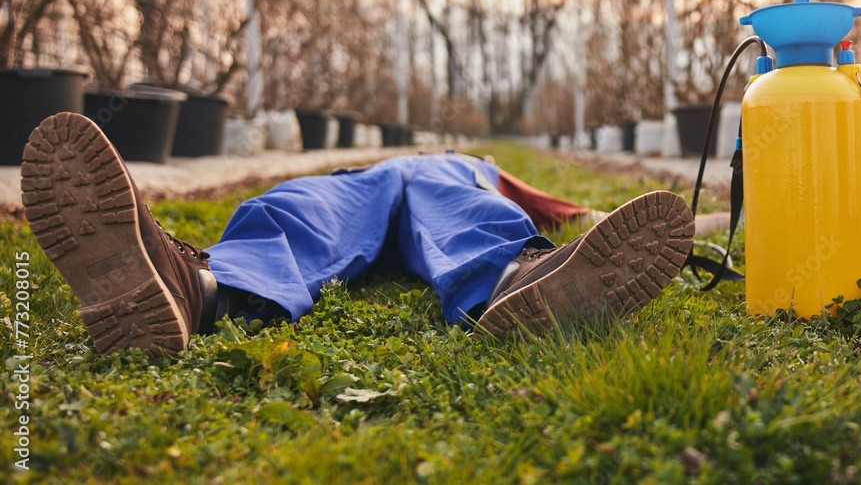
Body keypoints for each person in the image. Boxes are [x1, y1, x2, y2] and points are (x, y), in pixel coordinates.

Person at [19, 113, 696, 358]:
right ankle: (194, 287)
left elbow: (576, 217)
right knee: (295, 206)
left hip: (438, 184)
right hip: (366, 184)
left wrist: (590, 226)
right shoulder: (419, 165)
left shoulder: (483, 171)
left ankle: (519, 282)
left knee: (465, 209)